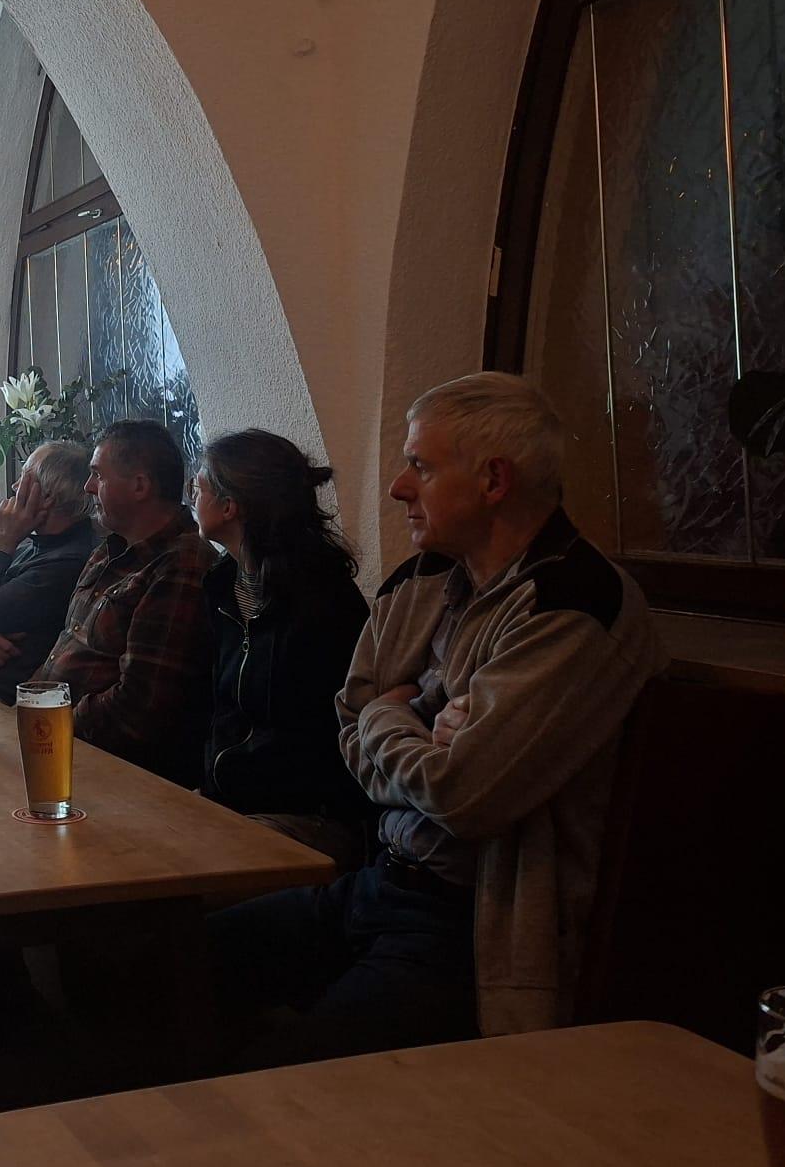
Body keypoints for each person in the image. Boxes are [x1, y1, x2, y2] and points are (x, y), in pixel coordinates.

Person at [206, 373, 663, 1067]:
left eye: (420, 466)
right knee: (173, 965)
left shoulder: (575, 604)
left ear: (494, 480)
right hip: (379, 879)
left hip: (473, 923)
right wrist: (420, 727)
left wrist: (392, 716)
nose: (398, 487)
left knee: (290, 1072)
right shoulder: (415, 583)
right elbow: (348, 728)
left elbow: (464, 794)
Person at [189, 430, 371, 867]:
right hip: (233, 805)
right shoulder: (221, 586)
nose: (191, 498)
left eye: (198, 488)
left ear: (229, 507)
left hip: (309, 818)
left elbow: (320, 739)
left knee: (168, 876)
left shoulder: (322, 601)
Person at [40, 418, 213, 786]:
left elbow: (140, 707)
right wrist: (23, 706)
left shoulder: (182, 564)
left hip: (114, 771)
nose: (88, 487)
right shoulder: (108, 551)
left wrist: (47, 722)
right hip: (60, 742)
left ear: (139, 486)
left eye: (97, 475)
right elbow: (63, 650)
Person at [0, 440, 99, 703]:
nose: (14, 486)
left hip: (12, 709)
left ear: (48, 496)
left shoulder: (66, 564)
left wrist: (1, 541)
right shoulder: (28, 547)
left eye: (24, 477)